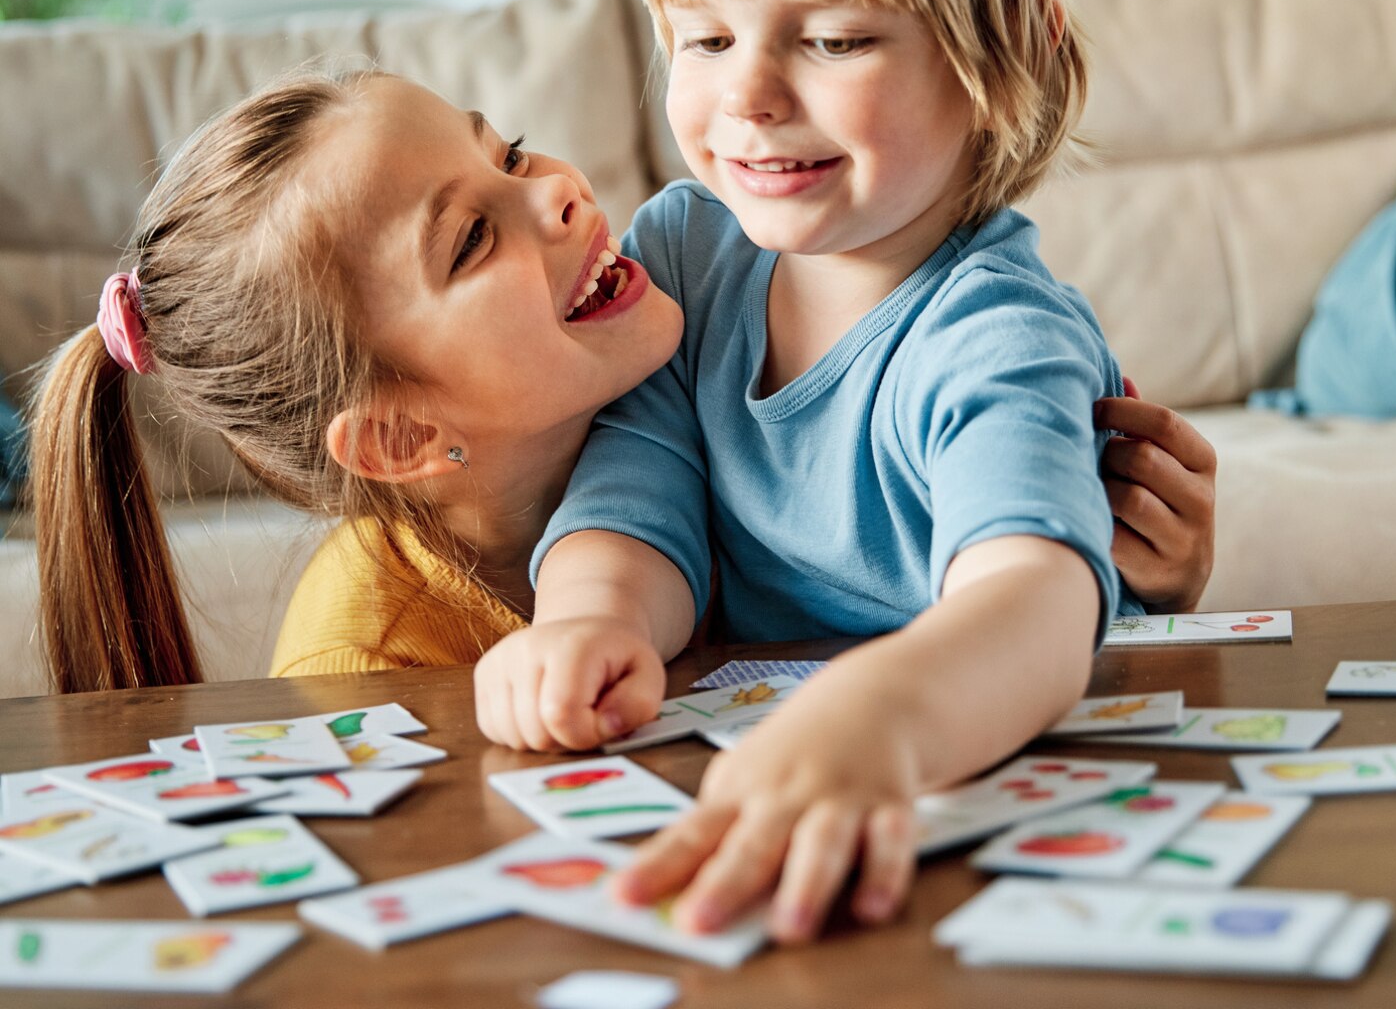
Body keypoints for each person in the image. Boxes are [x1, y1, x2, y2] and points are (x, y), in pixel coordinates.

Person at [472, 0, 1214, 945]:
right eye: (704, 37)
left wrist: (878, 719)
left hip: (959, 798)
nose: (749, 95)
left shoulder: (998, 326)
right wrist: (592, 618)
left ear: (1006, 55)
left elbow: (1031, 598)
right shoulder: (683, 251)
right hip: (749, 792)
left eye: (834, 38)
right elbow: (639, 489)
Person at [27, 68, 1208, 696]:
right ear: (393, 437)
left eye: (510, 150)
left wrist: (1129, 574)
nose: (558, 194)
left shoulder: (724, 367)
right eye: (471, 240)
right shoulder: (368, 661)